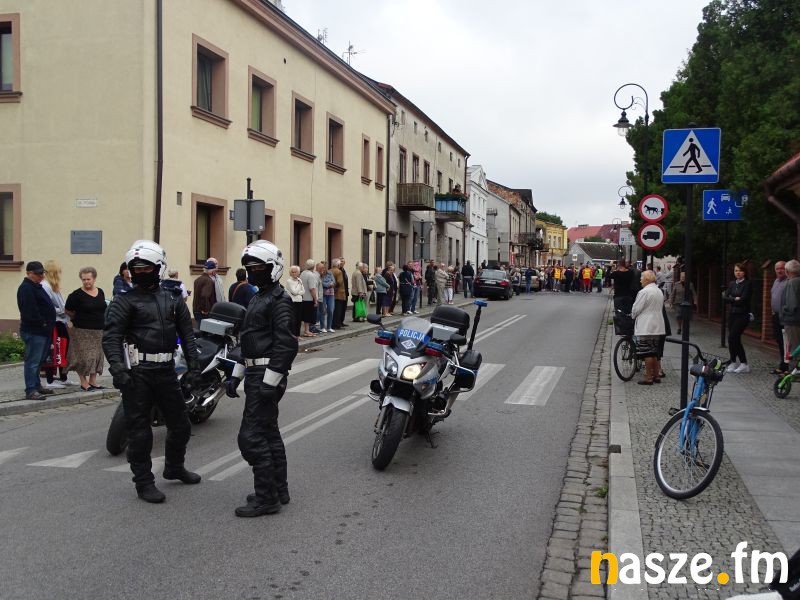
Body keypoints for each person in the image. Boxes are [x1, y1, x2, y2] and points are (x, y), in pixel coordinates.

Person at [103, 240, 202, 503]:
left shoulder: (173, 299)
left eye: (146, 268)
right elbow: (111, 338)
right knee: (139, 431)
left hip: (167, 370)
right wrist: (118, 369)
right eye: (135, 268)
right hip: (138, 373)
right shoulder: (123, 301)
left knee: (181, 425)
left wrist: (194, 367)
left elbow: (187, 335)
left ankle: (174, 467)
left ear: (158, 267)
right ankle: (144, 482)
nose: (140, 272)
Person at [227, 240, 298, 518]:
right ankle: (278, 489)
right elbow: (249, 341)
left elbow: (286, 344)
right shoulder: (258, 298)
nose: (253, 271)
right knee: (268, 432)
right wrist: (236, 374)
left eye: (258, 267)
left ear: (273, 267)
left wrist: (270, 381)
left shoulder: (280, 301)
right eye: (249, 267)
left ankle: (266, 498)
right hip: (256, 373)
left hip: (266, 375)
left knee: (251, 437)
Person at [17, 261, 57, 400]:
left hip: (42, 331)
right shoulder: (26, 288)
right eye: (38, 274)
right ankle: (30, 390)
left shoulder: (36, 286)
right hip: (34, 331)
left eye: (42, 273)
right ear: (29, 273)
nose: (42, 276)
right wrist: (43, 323)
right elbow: (30, 311)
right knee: (33, 362)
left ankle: (36, 385)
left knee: (39, 361)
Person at [65, 267, 107, 392]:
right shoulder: (76, 295)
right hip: (82, 331)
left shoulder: (100, 292)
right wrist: (74, 319)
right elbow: (68, 310)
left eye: (88, 279)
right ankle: (83, 382)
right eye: (84, 279)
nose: (86, 282)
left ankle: (93, 381)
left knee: (96, 356)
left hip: (98, 330)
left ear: (94, 279)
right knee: (83, 358)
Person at [41, 259, 75, 387]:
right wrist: (62, 310)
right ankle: (50, 380)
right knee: (54, 350)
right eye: (57, 272)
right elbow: (47, 306)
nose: (59, 275)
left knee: (63, 348)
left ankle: (63, 377)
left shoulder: (53, 286)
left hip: (60, 321)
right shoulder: (45, 286)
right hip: (53, 322)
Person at [631, 270, 665, 385]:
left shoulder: (644, 292)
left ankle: (648, 377)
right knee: (654, 351)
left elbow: (637, 308)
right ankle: (656, 375)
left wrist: (632, 315)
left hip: (646, 324)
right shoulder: (659, 291)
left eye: (641, 278)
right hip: (657, 324)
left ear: (646, 279)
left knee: (647, 352)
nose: (640, 280)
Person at [723, 263, 753, 373]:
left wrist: (732, 298)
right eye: (736, 271)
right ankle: (733, 362)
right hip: (732, 314)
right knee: (733, 339)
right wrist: (734, 299)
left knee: (733, 337)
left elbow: (743, 299)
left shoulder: (748, 284)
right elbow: (725, 298)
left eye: (740, 270)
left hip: (743, 315)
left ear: (744, 272)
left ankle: (744, 363)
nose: (738, 272)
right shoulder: (732, 284)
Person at [770, 260, 789, 374]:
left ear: (786, 269)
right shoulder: (776, 281)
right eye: (777, 268)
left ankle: (786, 367)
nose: (779, 270)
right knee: (779, 340)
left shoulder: (789, 282)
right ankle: (782, 365)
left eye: (782, 268)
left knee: (785, 341)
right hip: (776, 315)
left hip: (785, 316)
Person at [781, 260, 800, 369]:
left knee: (793, 347)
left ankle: (794, 372)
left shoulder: (792, 283)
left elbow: (792, 305)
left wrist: (783, 309)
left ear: (787, 271)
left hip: (792, 320)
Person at [192, 259, 220, 325]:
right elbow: (205, 295)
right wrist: (205, 309)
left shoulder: (197, 280)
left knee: (199, 328)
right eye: (214, 270)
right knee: (205, 330)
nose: (215, 272)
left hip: (196, 309)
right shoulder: (209, 281)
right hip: (204, 312)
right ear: (212, 270)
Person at [300, 259, 320, 334]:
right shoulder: (311, 275)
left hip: (303, 297)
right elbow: (312, 289)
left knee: (306, 315)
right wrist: (315, 300)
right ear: (314, 266)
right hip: (309, 298)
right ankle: (307, 330)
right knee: (309, 316)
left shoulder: (302, 273)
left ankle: (306, 330)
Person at [285, 265, 304, 338]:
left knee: (299, 319)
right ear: (290, 273)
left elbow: (303, 291)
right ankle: (293, 335)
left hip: (299, 301)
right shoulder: (289, 281)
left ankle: (298, 335)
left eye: (295, 272)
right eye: (292, 272)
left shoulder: (299, 280)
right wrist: (299, 284)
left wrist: (298, 292)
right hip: (293, 302)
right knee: (293, 319)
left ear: (298, 273)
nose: (294, 273)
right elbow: (294, 292)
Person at [330, 258, 346, 329]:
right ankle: (337, 324)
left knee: (333, 310)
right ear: (338, 264)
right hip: (339, 293)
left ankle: (332, 324)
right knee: (338, 310)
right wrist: (335, 288)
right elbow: (339, 282)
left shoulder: (330, 270)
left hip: (331, 293)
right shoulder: (339, 272)